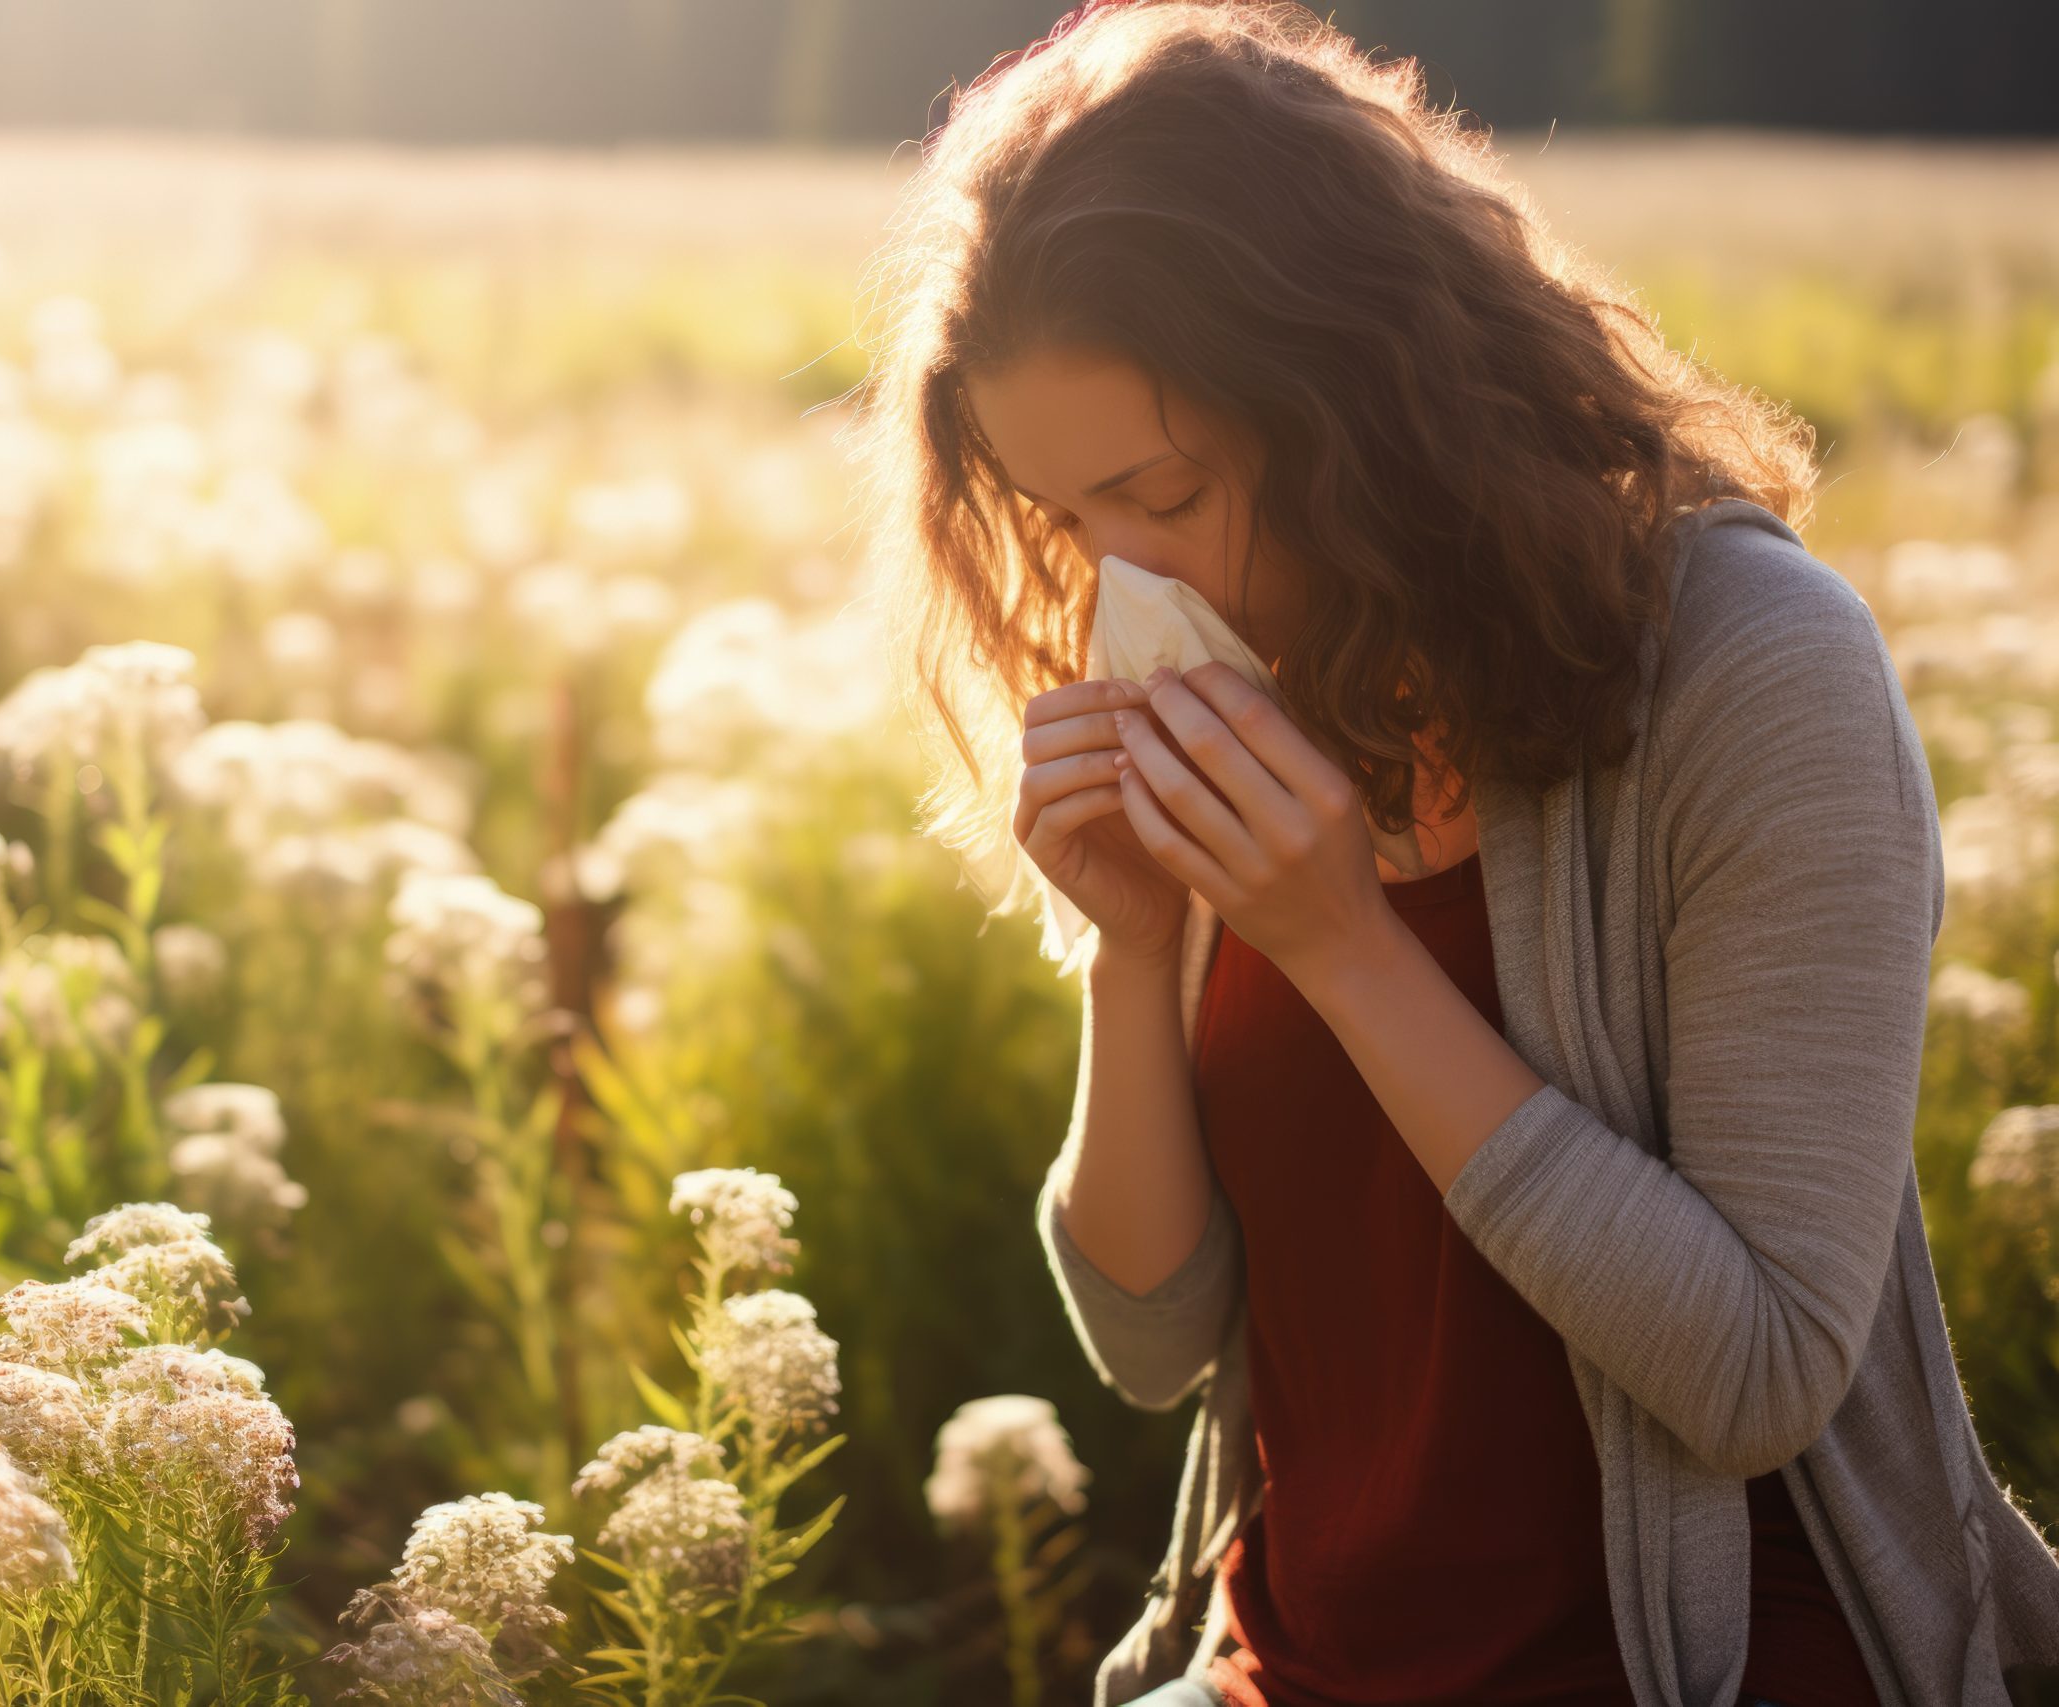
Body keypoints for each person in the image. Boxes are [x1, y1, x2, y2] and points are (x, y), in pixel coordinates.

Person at [840, 2, 2059, 1703]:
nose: (1117, 590)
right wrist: (1129, 950)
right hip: (1300, 1662)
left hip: (1694, 1661)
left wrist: (1344, 950)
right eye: (1067, 521)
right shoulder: (1264, 690)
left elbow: (1762, 1370)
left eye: (1164, 496)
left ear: (1356, 403)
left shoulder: (1753, 669)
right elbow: (1151, 1341)